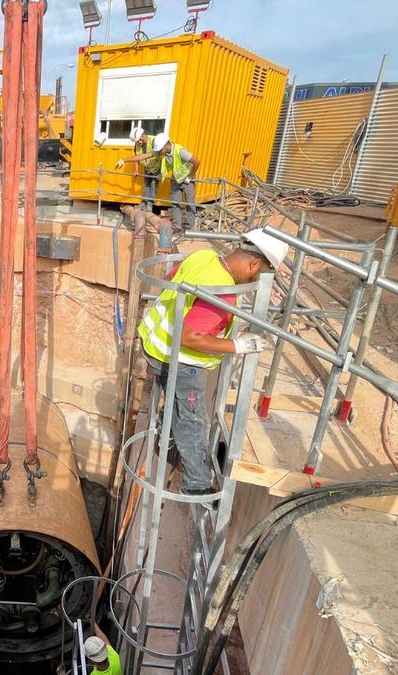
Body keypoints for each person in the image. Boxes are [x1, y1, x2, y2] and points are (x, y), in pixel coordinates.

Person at [136, 230, 288, 495]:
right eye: (255, 275)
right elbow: (189, 337)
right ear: (253, 264)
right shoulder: (222, 291)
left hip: (153, 345)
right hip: (180, 362)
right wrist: (238, 345)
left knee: (176, 404)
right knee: (193, 421)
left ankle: (167, 440)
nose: (252, 281)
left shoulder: (203, 256)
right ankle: (196, 485)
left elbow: (171, 281)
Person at [114, 126, 162, 209]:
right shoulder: (137, 145)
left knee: (154, 185)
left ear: (143, 135)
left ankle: (149, 205)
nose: (138, 143)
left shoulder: (154, 141)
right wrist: (136, 170)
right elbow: (137, 158)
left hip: (156, 168)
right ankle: (144, 203)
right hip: (147, 168)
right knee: (146, 185)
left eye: (139, 140)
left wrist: (162, 172)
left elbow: (163, 157)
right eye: (137, 142)